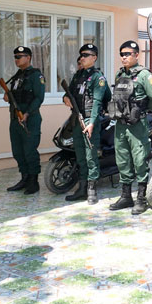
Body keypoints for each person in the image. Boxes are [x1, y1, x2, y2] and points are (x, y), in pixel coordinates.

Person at [107, 41, 152, 214]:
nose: (124, 57)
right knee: (122, 159)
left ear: (136, 55)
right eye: (122, 54)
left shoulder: (144, 75)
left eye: (127, 54)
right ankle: (126, 196)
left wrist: (141, 110)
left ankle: (141, 198)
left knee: (139, 159)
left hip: (137, 124)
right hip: (121, 124)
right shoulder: (120, 74)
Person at [63, 44, 111, 204]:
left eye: (86, 55)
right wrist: (65, 98)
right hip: (77, 120)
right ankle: (82, 188)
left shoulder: (98, 77)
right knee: (80, 155)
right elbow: (68, 92)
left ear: (94, 57)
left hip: (90, 121)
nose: (82, 58)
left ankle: (92, 190)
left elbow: (97, 102)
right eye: (81, 55)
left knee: (91, 156)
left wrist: (91, 123)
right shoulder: (78, 75)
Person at [4, 46, 46, 194]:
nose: (16, 59)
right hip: (15, 119)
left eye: (19, 56)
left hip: (30, 119)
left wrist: (27, 113)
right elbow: (14, 96)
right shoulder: (17, 76)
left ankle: (33, 182)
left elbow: (39, 98)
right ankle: (24, 178)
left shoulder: (36, 76)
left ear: (28, 58)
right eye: (15, 57)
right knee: (18, 151)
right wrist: (7, 97)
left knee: (29, 151)